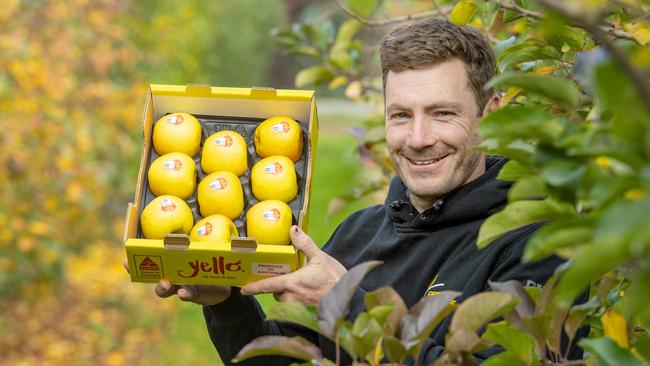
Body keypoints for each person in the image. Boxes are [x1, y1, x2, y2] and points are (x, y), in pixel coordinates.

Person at [152, 19, 569, 364]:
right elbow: (284, 357)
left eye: (443, 114)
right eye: (401, 115)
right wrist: (224, 302)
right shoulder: (360, 232)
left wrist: (348, 305)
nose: (418, 138)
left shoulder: (536, 244)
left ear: (489, 115)